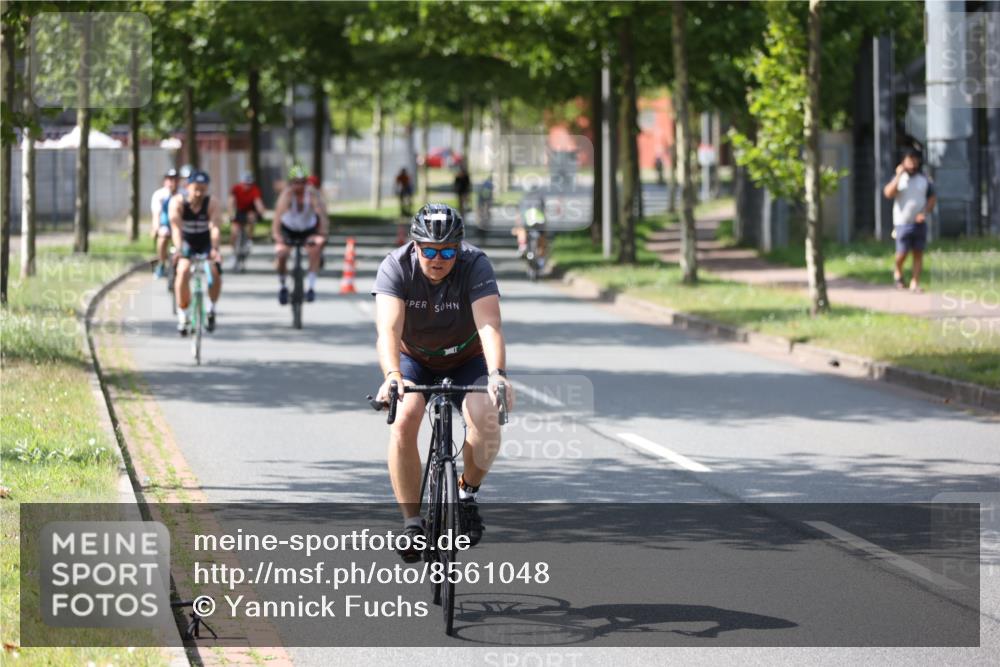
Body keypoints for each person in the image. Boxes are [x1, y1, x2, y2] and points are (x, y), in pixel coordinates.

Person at [371, 203, 514, 563]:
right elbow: (388, 330)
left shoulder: (475, 264)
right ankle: (412, 522)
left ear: (459, 249)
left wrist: (497, 374)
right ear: (415, 245)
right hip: (413, 359)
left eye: (448, 252)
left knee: (486, 417)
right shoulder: (395, 266)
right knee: (404, 418)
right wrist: (392, 376)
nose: (438, 259)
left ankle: (466, 494)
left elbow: (489, 325)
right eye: (429, 251)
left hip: (467, 357)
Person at [170, 170, 223, 335]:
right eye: (196, 189)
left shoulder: (212, 203)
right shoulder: (177, 202)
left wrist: (214, 249)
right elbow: (176, 229)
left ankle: (211, 308)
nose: (199, 193)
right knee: (183, 270)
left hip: (205, 242)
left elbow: (215, 228)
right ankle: (183, 313)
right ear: (187, 187)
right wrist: (179, 249)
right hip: (186, 242)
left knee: (214, 270)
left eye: (203, 189)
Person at [272, 164, 329, 304]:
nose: (299, 186)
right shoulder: (287, 195)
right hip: (288, 229)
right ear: (291, 183)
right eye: (296, 182)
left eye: (303, 182)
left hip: (308, 229)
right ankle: (283, 286)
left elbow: (321, 214)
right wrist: (276, 235)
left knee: (315, 249)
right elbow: (277, 217)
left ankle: (311, 287)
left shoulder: (312, 194)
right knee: (281, 254)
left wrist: (323, 233)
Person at [883, 147, 936, 292]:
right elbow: (888, 193)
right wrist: (898, 175)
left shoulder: (924, 180)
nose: (912, 164)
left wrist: (924, 213)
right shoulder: (899, 179)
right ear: (903, 162)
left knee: (918, 253)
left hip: (919, 223)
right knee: (902, 253)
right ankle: (898, 272)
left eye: (914, 160)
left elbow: (932, 199)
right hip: (902, 224)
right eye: (909, 161)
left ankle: (915, 282)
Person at [229, 171, 267, 268]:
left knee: (251, 217)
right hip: (239, 211)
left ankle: (249, 239)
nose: (247, 186)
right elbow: (231, 201)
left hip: (250, 210)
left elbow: (258, 202)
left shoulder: (255, 189)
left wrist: (261, 211)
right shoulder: (236, 188)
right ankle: (233, 252)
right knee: (234, 232)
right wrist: (231, 213)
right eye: (245, 184)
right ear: (241, 183)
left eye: (249, 184)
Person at [150, 168, 179, 278]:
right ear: (165, 181)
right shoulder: (159, 195)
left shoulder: (184, 193)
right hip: (165, 225)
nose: (173, 182)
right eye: (170, 179)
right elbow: (156, 214)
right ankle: (161, 263)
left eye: (175, 179)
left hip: (179, 225)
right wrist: (156, 228)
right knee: (162, 239)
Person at [512, 193, 547, 260]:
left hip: (527, 221)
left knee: (521, 230)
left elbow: (518, 216)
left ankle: (522, 247)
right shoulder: (540, 198)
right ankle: (542, 255)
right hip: (539, 221)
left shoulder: (523, 200)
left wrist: (516, 227)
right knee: (542, 236)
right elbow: (544, 212)